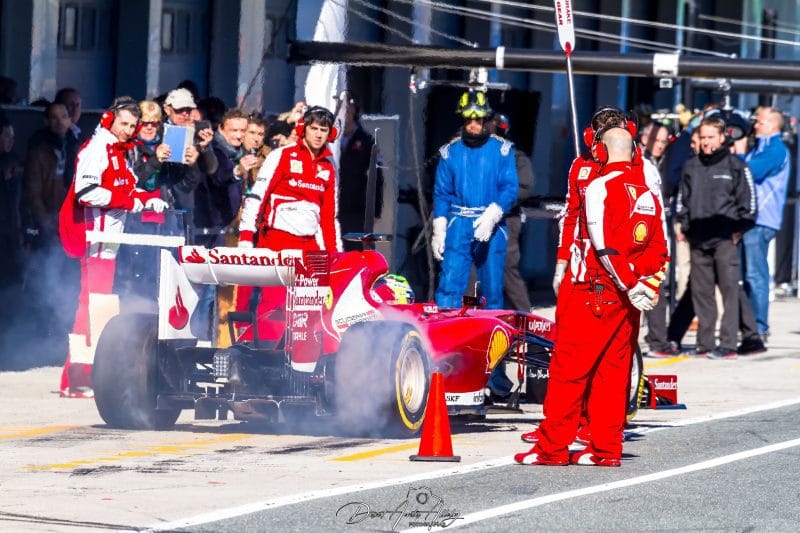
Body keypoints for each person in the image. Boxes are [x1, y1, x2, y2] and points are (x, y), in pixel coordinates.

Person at [515, 127, 667, 467]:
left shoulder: (600, 186)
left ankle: (551, 449)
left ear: (601, 150)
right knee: (613, 374)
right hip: (630, 298)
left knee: (568, 371)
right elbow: (661, 247)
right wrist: (647, 285)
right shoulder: (647, 191)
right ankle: (605, 449)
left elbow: (603, 244)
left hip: (594, 290)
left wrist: (629, 283)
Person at [58, 96, 168, 398]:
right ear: (110, 119)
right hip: (95, 241)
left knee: (97, 307)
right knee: (91, 310)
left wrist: (147, 198)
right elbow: (86, 193)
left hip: (110, 244)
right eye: (124, 123)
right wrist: (131, 201)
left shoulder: (118, 151)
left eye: (133, 125)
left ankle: (83, 375)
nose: (128, 130)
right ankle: (78, 377)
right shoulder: (97, 149)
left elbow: (127, 186)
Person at [675, 116, 756, 359]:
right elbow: (682, 201)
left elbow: (749, 205)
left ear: (722, 138)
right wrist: (685, 227)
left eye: (711, 137)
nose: (707, 142)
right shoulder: (691, 166)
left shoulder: (736, 166)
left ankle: (728, 345)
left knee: (729, 291)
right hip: (698, 240)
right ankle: (705, 344)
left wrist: (738, 229)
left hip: (725, 240)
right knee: (702, 293)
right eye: (703, 138)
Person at [431, 90, 518, 310]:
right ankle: (446, 331)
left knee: (492, 288)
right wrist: (439, 227)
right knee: (449, 284)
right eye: (468, 119)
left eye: (477, 120)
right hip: (458, 223)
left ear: (485, 119)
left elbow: (510, 188)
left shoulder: (502, 150)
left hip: (492, 224)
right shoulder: (449, 153)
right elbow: (442, 193)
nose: (473, 124)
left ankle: (492, 335)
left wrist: (494, 213)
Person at [238, 105, 341, 253]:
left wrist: (333, 253)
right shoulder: (282, 155)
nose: (318, 135)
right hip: (274, 243)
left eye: (323, 130)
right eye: (314, 128)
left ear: (330, 134)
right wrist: (246, 238)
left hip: (309, 246)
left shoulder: (329, 166)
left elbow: (329, 217)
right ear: (303, 129)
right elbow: (257, 197)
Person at [740, 107, 790, 343]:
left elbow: (750, 172)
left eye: (759, 122)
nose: (755, 126)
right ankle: (751, 324)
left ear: (772, 125)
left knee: (755, 275)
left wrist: (738, 153)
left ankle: (759, 326)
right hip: (753, 220)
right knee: (747, 274)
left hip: (761, 221)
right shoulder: (762, 146)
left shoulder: (775, 149)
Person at [488, 113, 533, 311]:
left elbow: (524, 187)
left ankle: (526, 320)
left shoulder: (516, 157)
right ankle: (470, 317)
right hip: (474, 219)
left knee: (507, 270)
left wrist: (497, 205)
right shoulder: (474, 155)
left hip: (505, 221)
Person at [338, 95, 383, 250]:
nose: (344, 115)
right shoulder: (332, 139)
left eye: (348, 111)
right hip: (335, 206)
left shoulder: (366, 140)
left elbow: (377, 176)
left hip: (356, 208)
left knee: (354, 249)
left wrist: (376, 209)